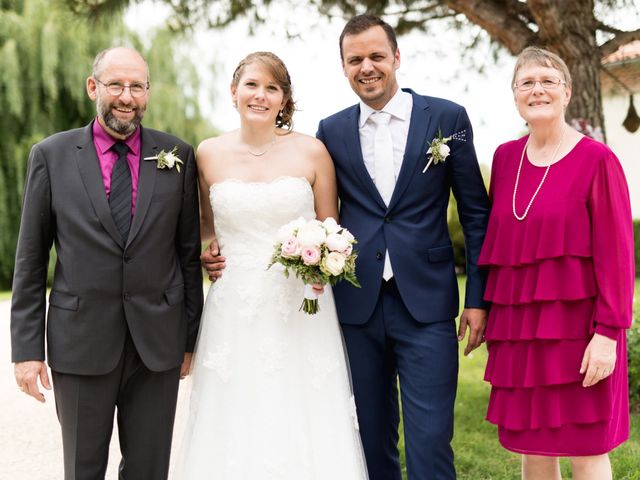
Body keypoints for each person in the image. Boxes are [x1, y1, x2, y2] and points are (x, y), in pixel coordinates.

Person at [203, 15, 490, 480]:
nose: (367, 67)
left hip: (428, 303)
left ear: (397, 58)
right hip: (357, 307)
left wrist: (477, 299)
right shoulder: (331, 131)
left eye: (377, 56)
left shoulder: (447, 119)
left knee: (430, 441)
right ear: (343, 67)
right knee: (369, 439)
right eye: (355, 59)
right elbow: (322, 213)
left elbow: (476, 214)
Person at [10, 47, 203, 480]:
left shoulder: (178, 155)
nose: (126, 96)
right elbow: (31, 258)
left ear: (147, 93)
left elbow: (187, 254)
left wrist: (190, 338)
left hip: (157, 344)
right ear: (93, 87)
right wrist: (26, 351)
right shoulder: (51, 155)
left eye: (137, 86)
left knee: (149, 470)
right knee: (82, 469)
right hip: (80, 342)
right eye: (116, 84)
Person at [174, 51, 368, 479]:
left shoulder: (312, 152)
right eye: (252, 85)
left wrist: (328, 263)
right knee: (236, 406)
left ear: (284, 99)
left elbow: (332, 225)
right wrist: (208, 250)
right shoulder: (207, 154)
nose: (261, 96)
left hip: (301, 302)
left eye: (272, 88)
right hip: (234, 305)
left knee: (301, 404)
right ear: (233, 92)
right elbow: (205, 227)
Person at [478, 46, 634, 479]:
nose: (537, 89)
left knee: (586, 449)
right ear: (515, 96)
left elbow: (618, 257)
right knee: (534, 449)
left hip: (581, 331)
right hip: (523, 332)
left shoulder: (598, 160)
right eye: (526, 82)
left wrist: (608, 334)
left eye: (548, 80)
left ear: (567, 92)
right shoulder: (506, 160)